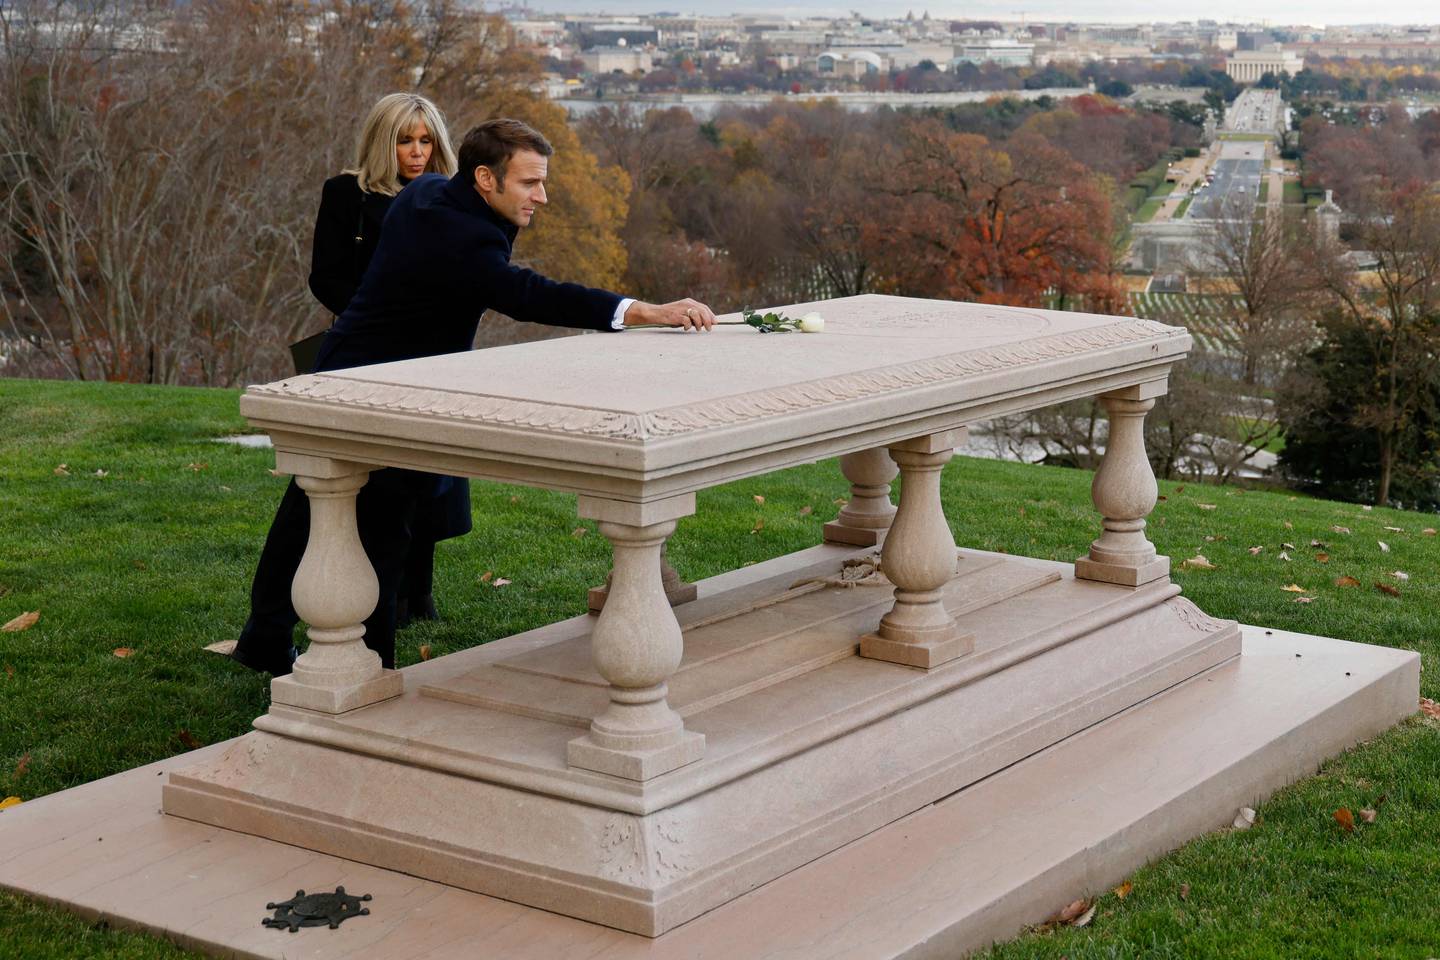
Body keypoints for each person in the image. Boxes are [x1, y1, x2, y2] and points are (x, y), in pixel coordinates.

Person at [231, 117, 715, 676]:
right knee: (382, 531)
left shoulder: (427, 191)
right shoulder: (462, 231)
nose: (543, 195)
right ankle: (365, 666)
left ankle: (263, 639)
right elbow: (527, 293)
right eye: (530, 183)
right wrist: (641, 311)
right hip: (388, 391)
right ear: (485, 178)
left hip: (345, 367)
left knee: (304, 510)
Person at [232, 93, 463, 677]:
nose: (415, 151)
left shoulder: (452, 201)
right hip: (359, 362)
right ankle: (270, 630)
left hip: (427, 368)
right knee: (317, 495)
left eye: (425, 140)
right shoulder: (348, 195)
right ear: (383, 142)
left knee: (406, 500)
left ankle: (394, 618)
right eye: (404, 140)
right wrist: (375, 320)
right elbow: (325, 276)